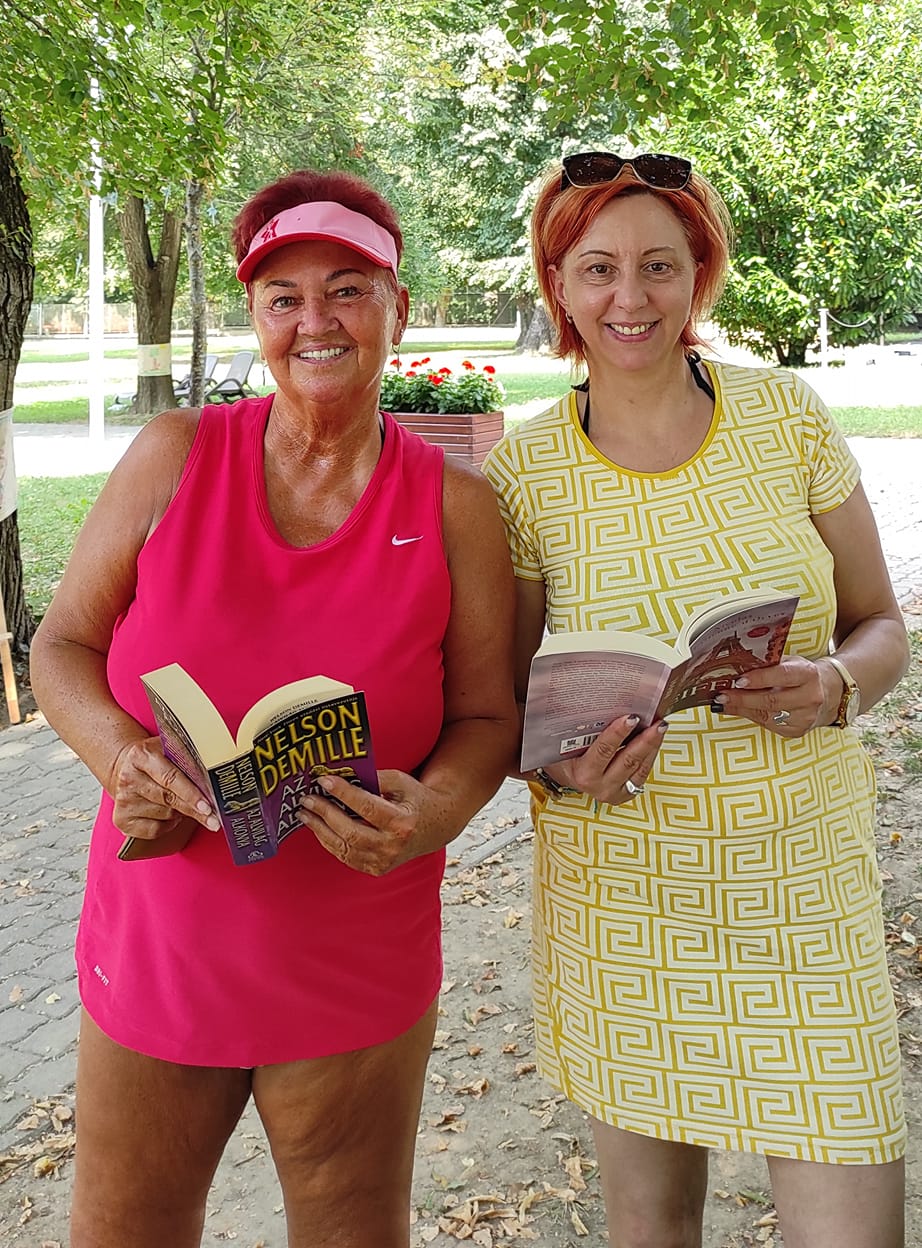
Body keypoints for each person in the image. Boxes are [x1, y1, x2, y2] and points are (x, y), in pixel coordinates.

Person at [30, 168, 518, 1248]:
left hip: (358, 947)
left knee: (352, 1232)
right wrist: (119, 756)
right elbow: (59, 648)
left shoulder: (457, 506)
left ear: (398, 308)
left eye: (347, 289)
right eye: (284, 296)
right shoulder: (174, 454)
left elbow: (490, 718)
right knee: (124, 1229)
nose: (316, 321)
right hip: (164, 937)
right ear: (256, 316)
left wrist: (436, 813)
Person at [483, 150, 909, 1248]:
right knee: (653, 1224)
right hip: (624, 899)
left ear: (699, 275)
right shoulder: (524, 472)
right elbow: (503, 705)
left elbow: (882, 624)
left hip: (803, 886)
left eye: (659, 265)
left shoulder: (785, 415)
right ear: (558, 284)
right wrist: (562, 765)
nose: (629, 296)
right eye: (598, 268)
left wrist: (834, 682)